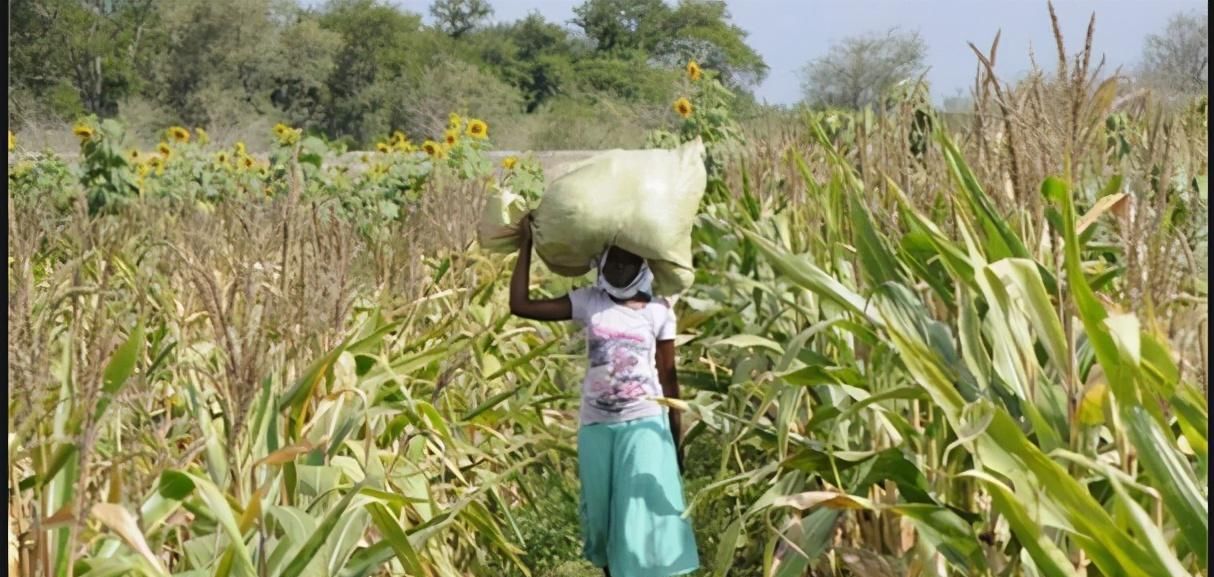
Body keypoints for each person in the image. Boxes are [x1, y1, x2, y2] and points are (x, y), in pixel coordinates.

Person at [509, 216, 700, 577]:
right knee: (600, 519)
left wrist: (676, 440)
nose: (619, 268)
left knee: (634, 519)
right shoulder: (589, 301)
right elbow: (522, 305)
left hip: (643, 422)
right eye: (613, 261)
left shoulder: (659, 311)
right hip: (596, 425)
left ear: (642, 265)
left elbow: (669, 381)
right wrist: (525, 246)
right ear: (601, 264)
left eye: (628, 262)